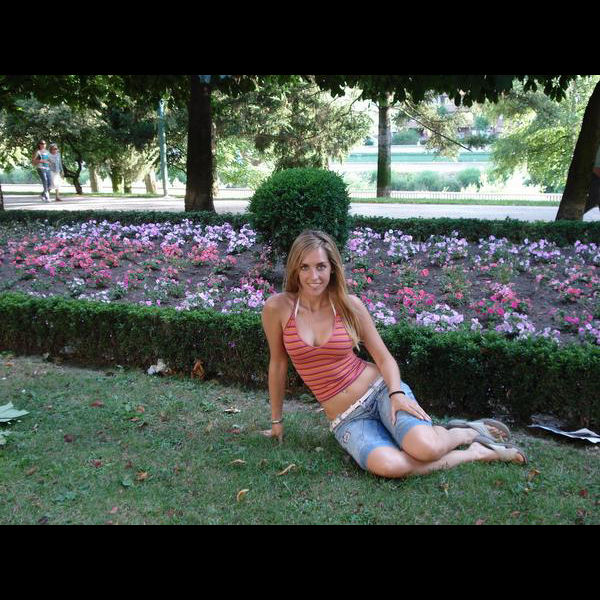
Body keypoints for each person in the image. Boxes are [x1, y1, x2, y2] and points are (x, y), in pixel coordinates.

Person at [260, 230, 527, 478]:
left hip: (380, 391)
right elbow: (278, 364)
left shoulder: (349, 306)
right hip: (347, 418)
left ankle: (463, 433)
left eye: (321, 266)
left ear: (332, 267)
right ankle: (477, 452)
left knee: (426, 449)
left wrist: (396, 393)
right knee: (390, 466)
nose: (314, 276)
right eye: (305, 267)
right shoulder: (278, 308)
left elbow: (384, 358)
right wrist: (276, 421)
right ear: (295, 269)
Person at [584, 144, 600, 214]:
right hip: (595, 176)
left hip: (595, 175)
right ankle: (573, 215)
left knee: (594, 199)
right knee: (594, 199)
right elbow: (596, 168)